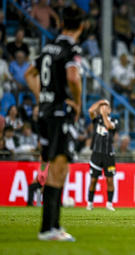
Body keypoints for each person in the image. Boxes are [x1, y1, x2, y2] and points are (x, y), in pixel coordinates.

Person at [25, 6, 84, 241]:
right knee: (59, 169)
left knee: (55, 168)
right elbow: (73, 77)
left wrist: (43, 96)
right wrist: (76, 102)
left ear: (62, 24)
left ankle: (52, 227)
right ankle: (49, 228)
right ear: (81, 26)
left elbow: (30, 73)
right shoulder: (72, 48)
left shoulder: (48, 47)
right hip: (60, 113)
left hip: (46, 113)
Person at [86, 100, 119, 211]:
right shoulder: (96, 120)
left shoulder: (115, 121)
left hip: (108, 154)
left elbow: (108, 126)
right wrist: (100, 102)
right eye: (102, 107)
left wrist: (103, 113)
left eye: (106, 107)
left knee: (110, 180)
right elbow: (90, 110)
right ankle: (90, 202)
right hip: (96, 153)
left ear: (110, 110)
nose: (104, 108)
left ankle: (109, 203)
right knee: (93, 180)